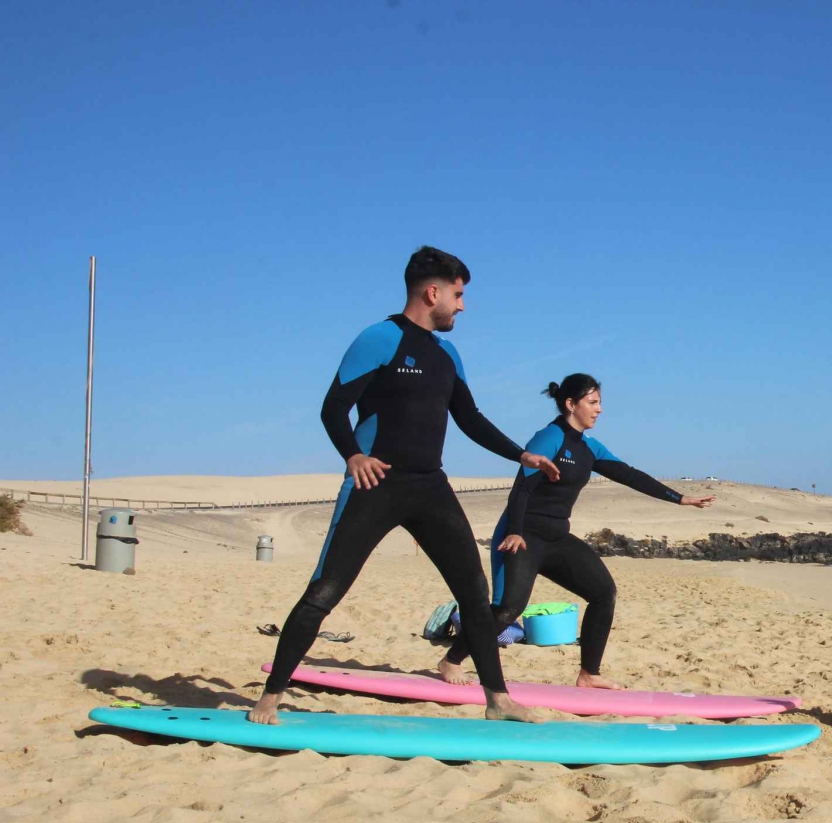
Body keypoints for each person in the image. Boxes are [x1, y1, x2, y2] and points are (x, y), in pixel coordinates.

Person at [250, 247, 560, 726]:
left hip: (430, 486)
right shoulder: (378, 338)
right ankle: (270, 697)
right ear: (432, 291)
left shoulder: (446, 354)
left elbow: (470, 418)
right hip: (377, 485)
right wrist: (353, 455)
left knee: (475, 594)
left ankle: (497, 700)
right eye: (457, 295)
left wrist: (520, 453)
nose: (462, 306)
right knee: (325, 590)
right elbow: (333, 407)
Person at [439, 373, 715, 688]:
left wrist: (680, 498)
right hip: (523, 535)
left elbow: (629, 475)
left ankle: (588, 674)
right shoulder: (549, 437)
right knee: (507, 609)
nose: (599, 410)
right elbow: (522, 488)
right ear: (571, 404)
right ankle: (451, 660)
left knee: (602, 592)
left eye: (600, 403)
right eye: (593, 402)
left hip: (556, 537)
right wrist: (514, 531)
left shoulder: (589, 447)